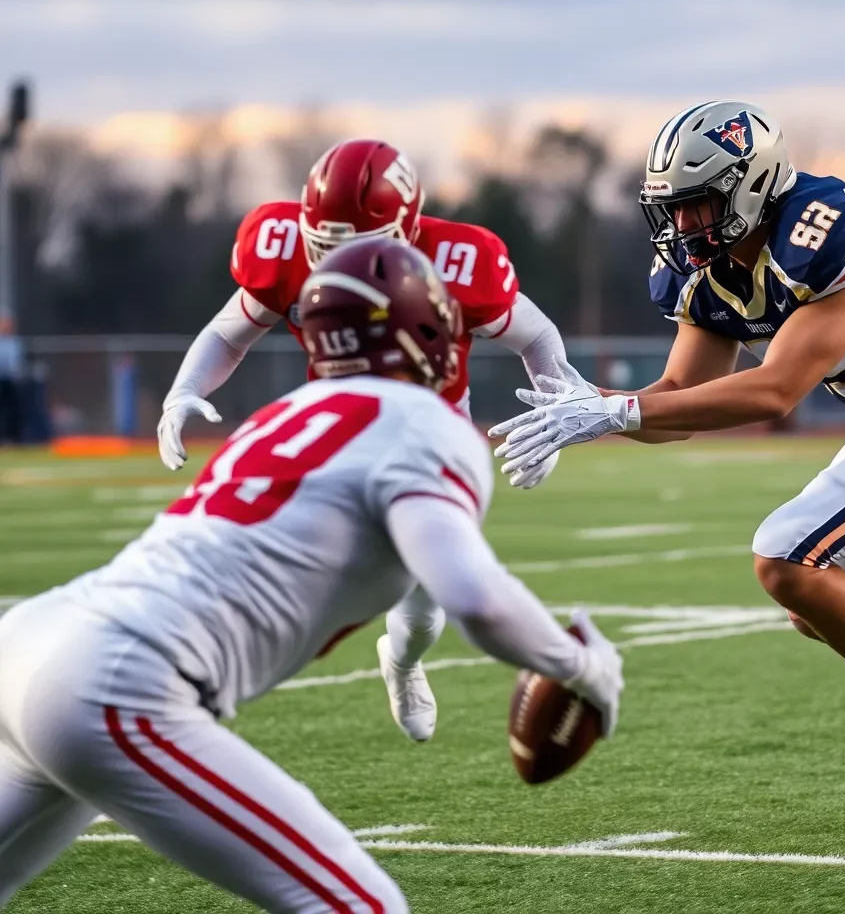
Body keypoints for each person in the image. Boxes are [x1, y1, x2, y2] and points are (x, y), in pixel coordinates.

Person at [0, 237, 622, 913]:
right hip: (117, 682)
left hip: (34, 642)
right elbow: (473, 597)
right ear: (430, 331)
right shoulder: (425, 425)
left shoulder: (278, 417)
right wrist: (578, 667)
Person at [490, 100, 845, 824]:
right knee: (819, 607)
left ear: (752, 185)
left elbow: (777, 389)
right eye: (673, 211)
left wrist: (620, 411)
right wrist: (593, 410)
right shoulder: (703, 271)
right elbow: (678, 398)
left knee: (783, 556)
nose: (683, 228)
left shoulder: (826, 227)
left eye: (699, 206)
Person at [157, 139, 569, 744]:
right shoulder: (284, 250)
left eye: (354, 249)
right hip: (335, 427)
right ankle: (186, 679)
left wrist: (554, 420)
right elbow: (228, 334)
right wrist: (180, 392)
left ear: (407, 227)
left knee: (423, 602)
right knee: (284, 563)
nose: (335, 267)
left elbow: (536, 336)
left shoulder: (457, 261)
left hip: (431, 438)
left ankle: (401, 661)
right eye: (324, 248)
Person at [0, 316, 23, 445]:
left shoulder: (15, 342)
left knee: (13, 410)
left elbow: (17, 360)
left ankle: (13, 437)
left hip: (11, 379)